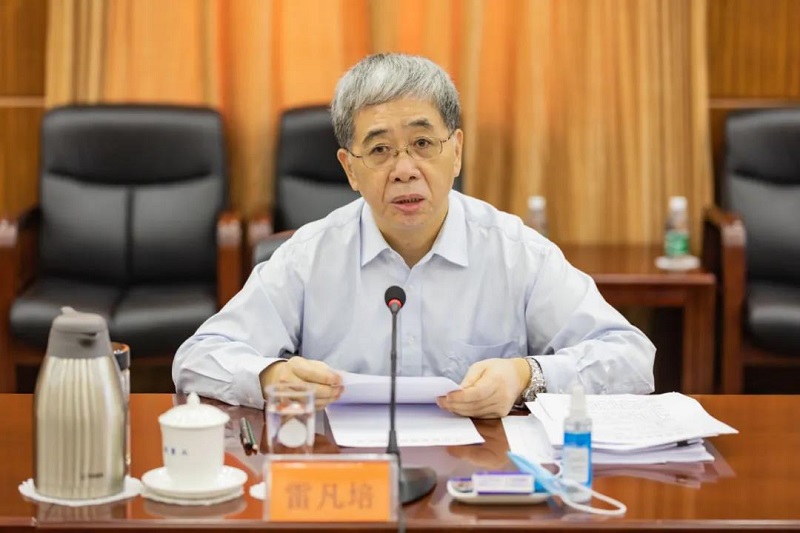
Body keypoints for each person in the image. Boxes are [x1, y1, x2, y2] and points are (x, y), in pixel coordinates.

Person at [173, 53, 655, 418]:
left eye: (423, 143)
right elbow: (196, 359)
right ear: (350, 169)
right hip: (347, 476)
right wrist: (270, 377)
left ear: (457, 151)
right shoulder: (309, 255)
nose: (405, 169)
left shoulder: (514, 251)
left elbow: (631, 359)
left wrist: (526, 376)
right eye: (379, 150)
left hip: (478, 479)